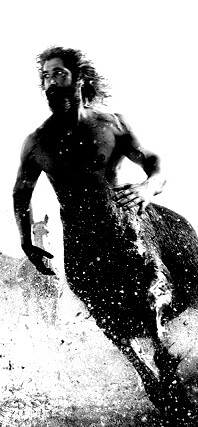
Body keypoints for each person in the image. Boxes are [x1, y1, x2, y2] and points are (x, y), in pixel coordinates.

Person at [13, 46, 166, 275]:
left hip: (122, 231)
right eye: (46, 76)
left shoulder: (112, 126)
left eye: (59, 73)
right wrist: (26, 243)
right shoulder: (37, 143)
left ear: (80, 78)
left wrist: (148, 187)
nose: (51, 82)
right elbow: (21, 194)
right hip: (78, 247)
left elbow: (152, 162)